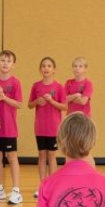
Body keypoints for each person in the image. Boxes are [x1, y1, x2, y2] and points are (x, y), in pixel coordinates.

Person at [0, 49, 24, 205]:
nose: (5, 63)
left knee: (12, 157)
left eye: (8, 61)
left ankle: (16, 191)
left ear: (13, 65)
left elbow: (19, 104)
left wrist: (4, 97)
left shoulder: (15, 82)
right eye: (2, 60)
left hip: (9, 127)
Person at [28, 56, 67, 193]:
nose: (46, 68)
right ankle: (43, 185)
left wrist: (52, 101)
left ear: (54, 69)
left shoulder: (59, 87)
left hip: (53, 128)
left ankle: (53, 185)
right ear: (40, 69)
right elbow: (29, 105)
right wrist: (36, 102)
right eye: (43, 66)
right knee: (42, 156)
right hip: (40, 127)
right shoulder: (36, 86)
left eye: (49, 66)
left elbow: (64, 107)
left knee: (51, 156)